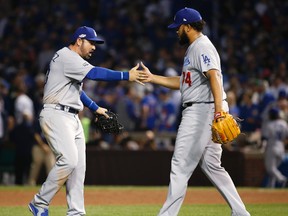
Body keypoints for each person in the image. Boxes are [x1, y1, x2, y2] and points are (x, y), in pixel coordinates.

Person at [139, 8, 250, 216]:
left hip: (202, 110)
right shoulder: (194, 48)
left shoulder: (202, 47)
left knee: (180, 164)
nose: (176, 31)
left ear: (188, 26)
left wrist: (218, 112)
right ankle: (240, 212)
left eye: (178, 27)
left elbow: (214, 76)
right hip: (205, 107)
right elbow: (184, 82)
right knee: (212, 166)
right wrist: (152, 78)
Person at [28, 26, 143, 216]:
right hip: (57, 114)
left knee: (78, 168)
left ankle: (76, 212)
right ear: (79, 40)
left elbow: (77, 91)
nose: (94, 47)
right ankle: (40, 202)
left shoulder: (71, 61)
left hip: (71, 116)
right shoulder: (67, 56)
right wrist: (126, 75)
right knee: (69, 161)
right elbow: (95, 74)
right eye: (92, 42)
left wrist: (95, 107)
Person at [261, 107, 288, 188]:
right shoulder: (283, 123)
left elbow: (264, 138)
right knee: (273, 169)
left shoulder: (269, 123)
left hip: (272, 146)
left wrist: (262, 146)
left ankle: (282, 179)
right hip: (281, 146)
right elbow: (286, 137)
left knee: (270, 169)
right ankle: (271, 186)